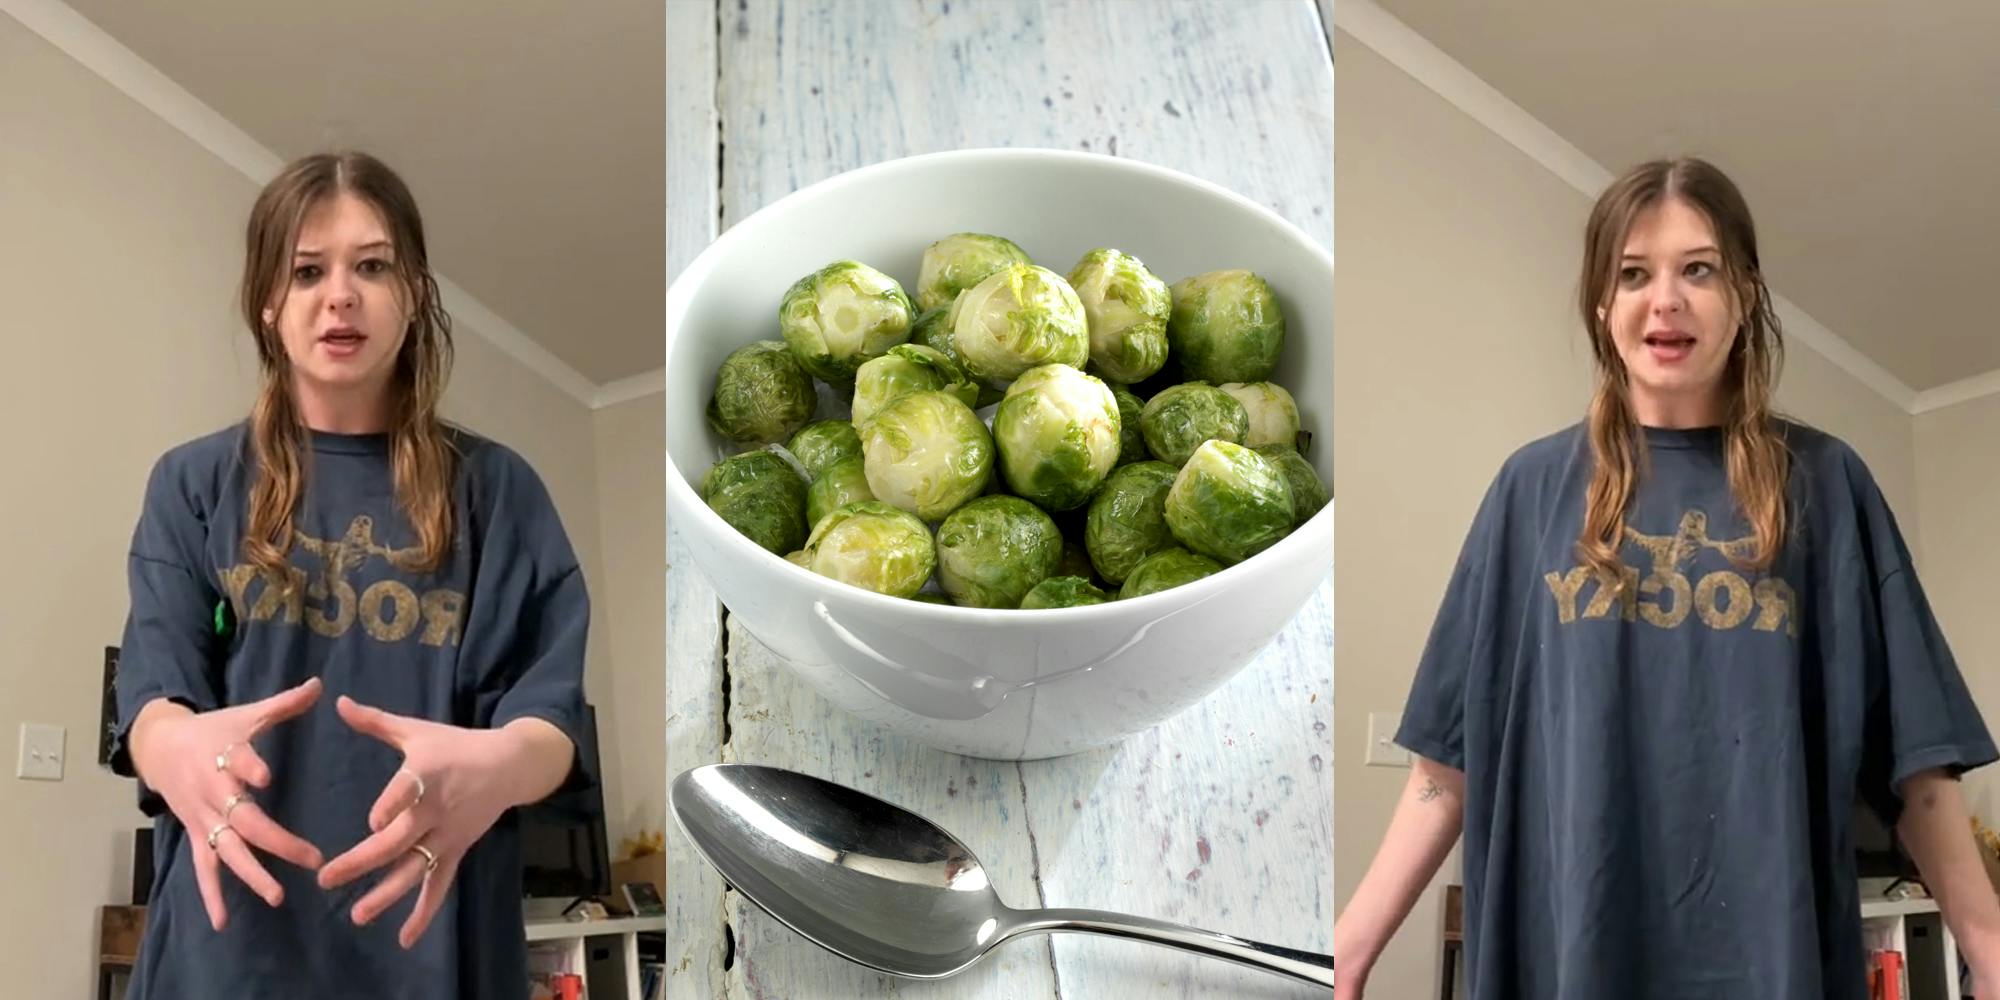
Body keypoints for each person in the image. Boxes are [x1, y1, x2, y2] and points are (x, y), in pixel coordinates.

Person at [1333, 157, 2000, 999]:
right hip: (1566, 951)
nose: (1667, 300)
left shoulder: (1826, 487)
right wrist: (1349, 951)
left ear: (1746, 294)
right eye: (1634, 274)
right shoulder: (1530, 492)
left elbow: (1921, 771)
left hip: (1770, 959)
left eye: (1700, 270)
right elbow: (1445, 767)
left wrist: (1990, 953)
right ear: (1602, 303)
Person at [112, 151, 592, 998]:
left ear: (413, 295)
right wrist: (168, 743)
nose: (340, 294)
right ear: (269, 304)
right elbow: (155, 696)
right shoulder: (191, 486)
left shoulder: (497, 490)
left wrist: (504, 765)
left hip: (437, 948)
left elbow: (548, 724)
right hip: (227, 958)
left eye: (372, 265)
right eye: (306, 272)